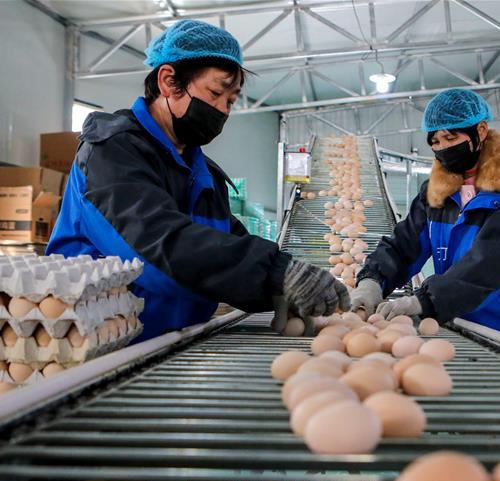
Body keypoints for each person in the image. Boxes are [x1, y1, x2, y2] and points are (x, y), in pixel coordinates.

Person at [47, 20, 348, 341]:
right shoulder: (112, 152)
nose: (222, 110)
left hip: (169, 348)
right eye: (216, 93)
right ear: (168, 81)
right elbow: (155, 250)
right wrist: (276, 273)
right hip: (101, 349)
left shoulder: (201, 173)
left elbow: (223, 248)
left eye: (231, 101)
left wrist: (281, 289)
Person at [351, 88, 500, 333]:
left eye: (450, 139)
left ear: (480, 131)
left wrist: (425, 301)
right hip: (459, 325)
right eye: (435, 142)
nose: (442, 148)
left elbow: (492, 261)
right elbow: (404, 246)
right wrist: (373, 279)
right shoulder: (437, 193)